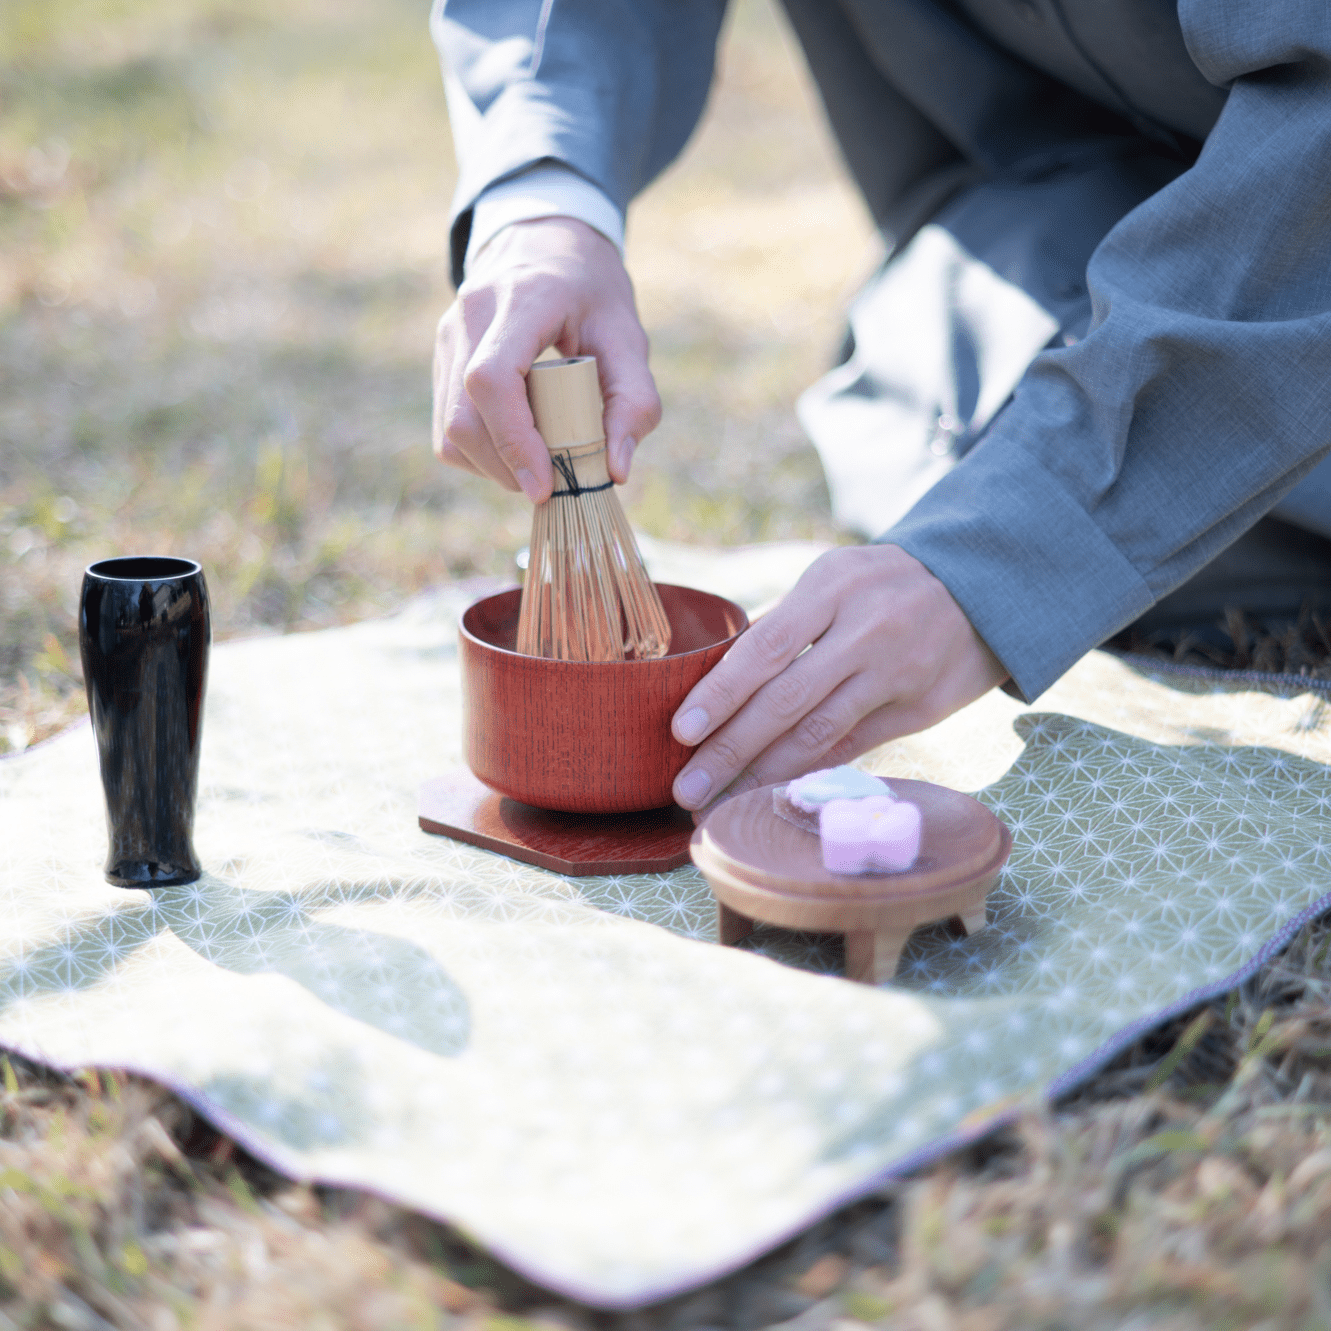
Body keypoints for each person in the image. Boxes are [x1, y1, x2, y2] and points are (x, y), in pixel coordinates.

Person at [429, 0, 1331, 815]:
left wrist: (1000, 558)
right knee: (923, 435)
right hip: (1021, 233)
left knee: (1111, 511)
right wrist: (545, 201)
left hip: (1298, 218)